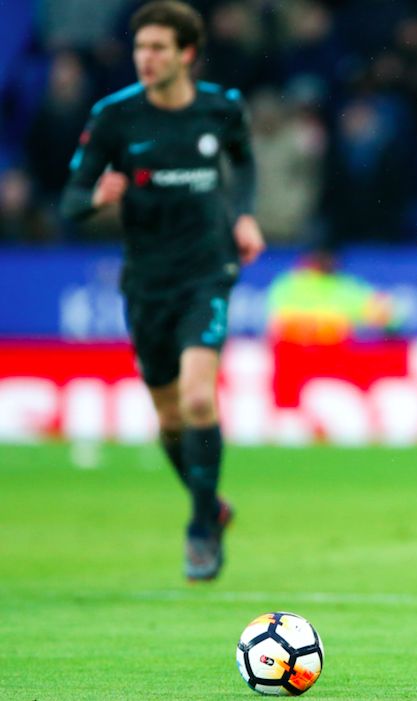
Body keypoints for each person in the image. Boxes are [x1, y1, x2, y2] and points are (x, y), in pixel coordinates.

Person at [61, 0, 265, 582]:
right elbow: (69, 200)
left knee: (199, 399)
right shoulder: (113, 116)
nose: (145, 58)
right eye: (140, 48)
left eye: (158, 48)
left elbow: (244, 164)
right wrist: (97, 197)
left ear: (186, 54)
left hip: (208, 271)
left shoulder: (221, 108)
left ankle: (201, 526)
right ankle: (211, 504)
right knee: (170, 419)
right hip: (147, 282)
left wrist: (243, 215)